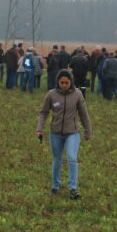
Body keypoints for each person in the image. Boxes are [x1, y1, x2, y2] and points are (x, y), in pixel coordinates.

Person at [36, 69, 92, 200]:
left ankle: (73, 188)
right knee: (57, 160)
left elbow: (83, 114)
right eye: (62, 83)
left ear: (71, 82)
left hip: (72, 133)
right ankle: (55, 186)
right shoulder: (51, 94)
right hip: (55, 133)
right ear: (58, 82)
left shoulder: (78, 94)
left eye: (67, 83)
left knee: (72, 158)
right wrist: (39, 128)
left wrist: (88, 130)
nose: (64, 85)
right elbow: (43, 112)